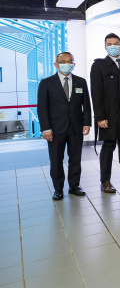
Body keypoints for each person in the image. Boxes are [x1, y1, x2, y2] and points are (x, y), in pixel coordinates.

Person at [37, 52, 91, 200]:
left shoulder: (81, 82)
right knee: (56, 160)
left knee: (75, 158)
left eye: (70, 61)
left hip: (76, 127)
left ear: (74, 64)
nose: (67, 64)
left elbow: (86, 104)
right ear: (56, 64)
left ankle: (74, 186)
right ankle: (58, 189)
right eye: (63, 61)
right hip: (55, 129)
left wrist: (87, 123)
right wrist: (45, 128)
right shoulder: (46, 83)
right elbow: (42, 107)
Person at [90, 33, 120, 193]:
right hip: (109, 114)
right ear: (105, 46)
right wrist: (100, 117)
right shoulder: (99, 65)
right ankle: (105, 181)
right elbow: (96, 93)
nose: (113, 46)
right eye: (109, 43)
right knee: (108, 146)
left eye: (116, 43)